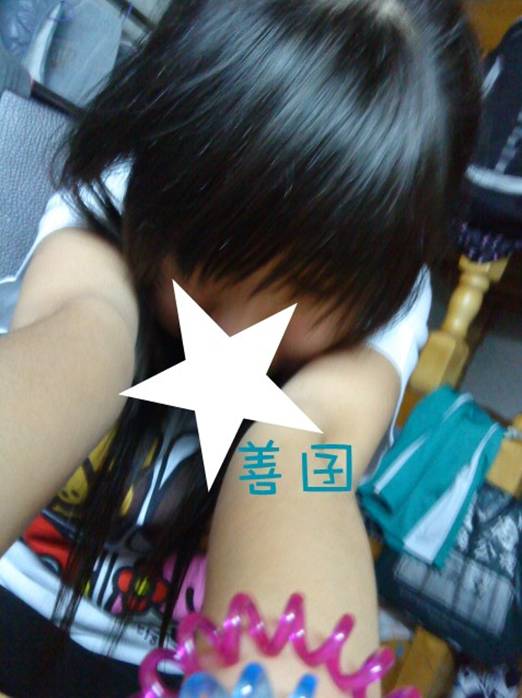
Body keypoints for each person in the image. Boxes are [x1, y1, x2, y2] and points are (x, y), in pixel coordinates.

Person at [0, 0, 481, 695]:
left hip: (160, 663)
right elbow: (82, 326)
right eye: (211, 268)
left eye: (307, 292)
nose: (233, 333)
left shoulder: (385, 299)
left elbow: (307, 453)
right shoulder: (130, 190)